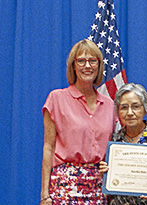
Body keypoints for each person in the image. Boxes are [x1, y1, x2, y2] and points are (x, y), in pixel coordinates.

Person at [40, 39, 118, 204]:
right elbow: (48, 147)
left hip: (99, 186)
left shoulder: (110, 105)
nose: (87, 66)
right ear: (73, 66)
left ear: (99, 65)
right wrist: (44, 195)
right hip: (65, 185)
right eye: (81, 61)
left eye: (92, 61)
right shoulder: (56, 98)